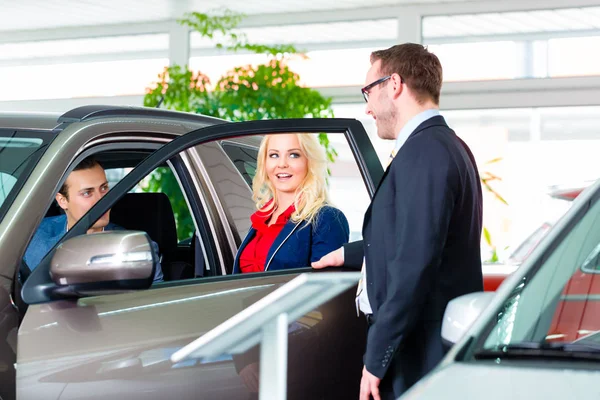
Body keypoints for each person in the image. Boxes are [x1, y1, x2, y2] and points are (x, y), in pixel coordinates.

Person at [312, 43, 483, 400]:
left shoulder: (426, 152)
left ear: (394, 84)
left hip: (419, 353)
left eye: (368, 91)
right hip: (425, 346)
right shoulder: (442, 145)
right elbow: (419, 236)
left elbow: (414, 265)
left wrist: (376, 358)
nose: (367, 107)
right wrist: (350, 253)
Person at [24, 156, 164, 283]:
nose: (101, 200)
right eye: (87, 193)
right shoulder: (32, 236)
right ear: (62, 201)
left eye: (104, 188)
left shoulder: (137, 249)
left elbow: (153, 306)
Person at [232, 133, 350, 275]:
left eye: (294, 155)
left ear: (309, 161)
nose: (282, 164)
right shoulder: (261, 219)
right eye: (274, 155)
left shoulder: (327, 218)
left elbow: (326, 289)